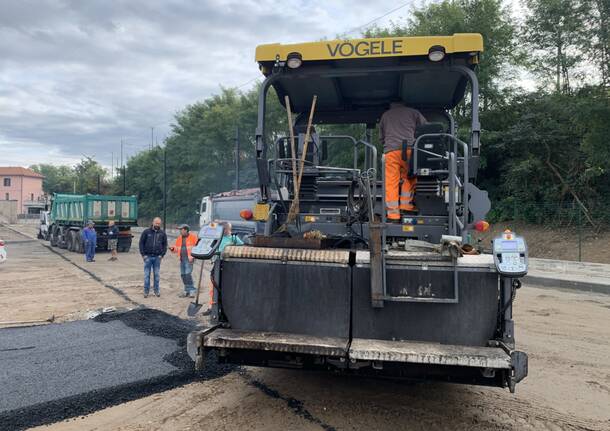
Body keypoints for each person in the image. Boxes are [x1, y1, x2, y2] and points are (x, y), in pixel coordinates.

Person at [379, 100, 427, 221]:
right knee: (409, 177)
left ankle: (393, 215)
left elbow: (381, 138)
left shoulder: (385, 115)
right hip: (409, 150)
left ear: (391, 105)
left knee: (391, 181)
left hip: (391, 152)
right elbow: (427, 128)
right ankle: (406, 206)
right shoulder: (413, 113)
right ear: (404, 103)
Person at [204, 222, 244, 316]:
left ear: (226, 229)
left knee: (227, 286)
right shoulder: (218, 238)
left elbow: (241, 247)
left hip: (229, 265)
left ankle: (227, 307)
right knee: (214, 284)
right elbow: (210, 247)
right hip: (218, 263)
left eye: (222, 229)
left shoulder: (234, 239)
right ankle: (212, 306)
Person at [138, 217, 167, 298]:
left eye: (159, 223)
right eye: (156, 223)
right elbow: (141, 243)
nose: (157, 225)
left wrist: (162, 255)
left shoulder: (162, 233)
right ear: (153, 222)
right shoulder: (146, 232)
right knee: (147, 275)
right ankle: (146, 291)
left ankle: (156, 290)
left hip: (157, 257)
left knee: (157, 275)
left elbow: (165, 245)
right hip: (148, 257)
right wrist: (143, 255)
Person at [169, 224, 199, 298]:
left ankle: (192, 290)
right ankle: (187, 290)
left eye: (181, 229)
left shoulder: (193, 237)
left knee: (187, 274)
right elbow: (176, 248)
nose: (180, 231)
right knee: (183, 275)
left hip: (189, 259)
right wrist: (172, 249)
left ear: (186, 230)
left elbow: (197, 247)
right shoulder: (179, 238)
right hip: (182, 259)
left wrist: (193, 257)